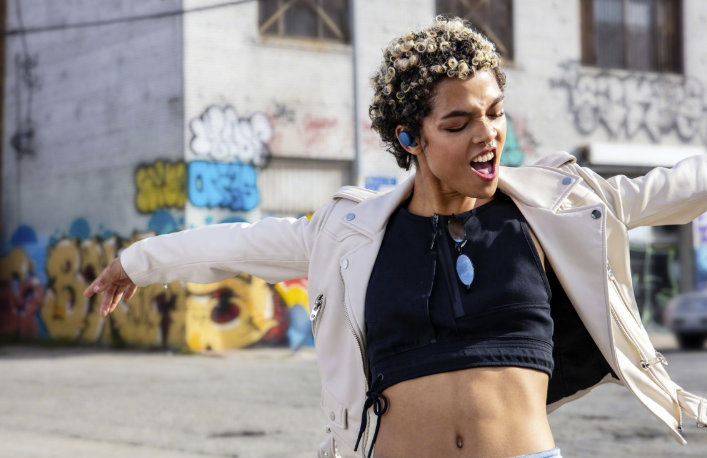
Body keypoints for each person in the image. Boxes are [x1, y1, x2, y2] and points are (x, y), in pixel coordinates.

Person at [84, 16, 707, 458]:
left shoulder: (556, 208)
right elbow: (238, 243)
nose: (487, 134)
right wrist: (137, 262)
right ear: (411, 137)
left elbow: (675, 186)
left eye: (494, 112)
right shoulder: (350, 232)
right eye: (458, 122)